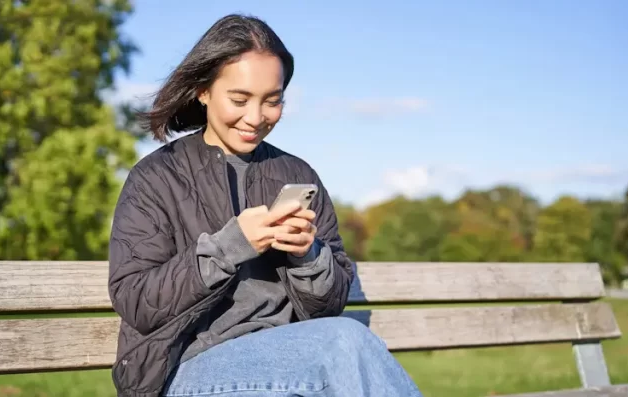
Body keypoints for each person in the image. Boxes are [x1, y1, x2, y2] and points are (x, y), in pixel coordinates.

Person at [107, 13, 423, 397]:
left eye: (272, 101)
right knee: (346, 342)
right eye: (239, 99)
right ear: (203, 91)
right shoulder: (156, 177)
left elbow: (329, 307)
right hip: (188, 369)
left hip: (292, 363)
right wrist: (229, 247)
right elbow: (136, 300)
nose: (256, 118)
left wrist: (308, 255)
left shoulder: (296, 173)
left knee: (342, 342)